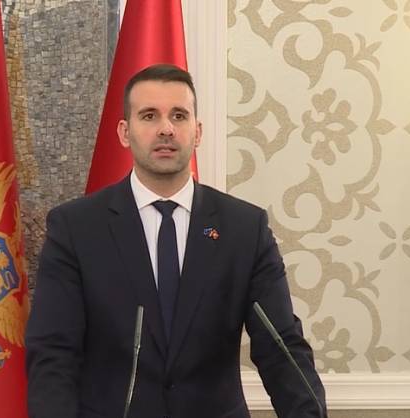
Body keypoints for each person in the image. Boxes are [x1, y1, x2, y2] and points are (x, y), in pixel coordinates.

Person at [25, 64, 327, 418]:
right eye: (149, 116)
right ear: (124, 132)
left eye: (179, 116)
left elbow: (281, 348)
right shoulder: (76, 228)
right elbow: (53, 354)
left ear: (197, 132)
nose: (166, 129)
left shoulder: (244, 229)